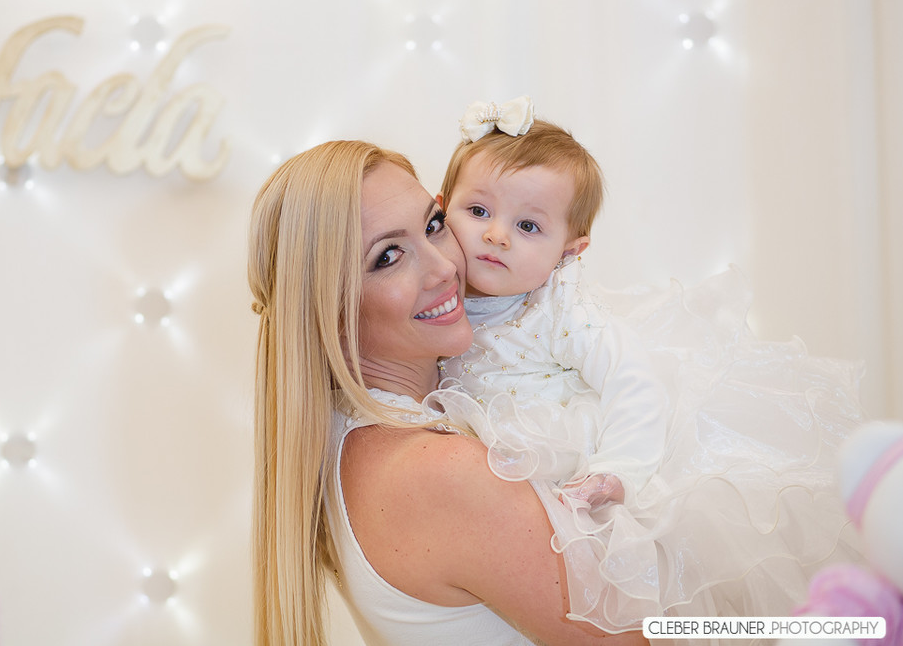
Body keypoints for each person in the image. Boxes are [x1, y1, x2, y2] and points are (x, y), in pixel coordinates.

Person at [426, 97, 867, 632]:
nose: (496, 235)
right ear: (441, 209)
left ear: (571, 250)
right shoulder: (436, 300)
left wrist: (619, 470)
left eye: (528, 226)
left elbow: (634, 384)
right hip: (499, 476)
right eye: (478, 212)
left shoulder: (564, 311)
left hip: (586, 458)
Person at [248, 140, 648, 645]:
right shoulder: (441, 472)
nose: (444, 268)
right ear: (326, 310)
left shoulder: (346, 440)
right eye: (388, 256)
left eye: (435, 224)